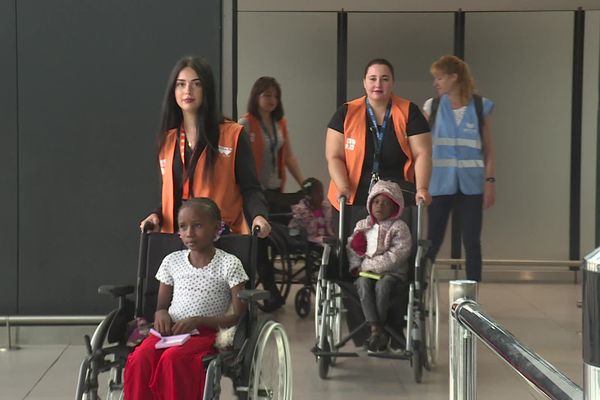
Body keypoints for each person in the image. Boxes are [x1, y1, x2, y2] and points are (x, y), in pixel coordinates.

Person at [124, 198, 249, 399]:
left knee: (173, 359)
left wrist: (198, 321)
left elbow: (236, 314)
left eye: (197, 226)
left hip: (205, 333)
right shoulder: (172, 261)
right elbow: (161, 306)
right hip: (169, 331)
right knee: (141, 357)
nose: (189, 233)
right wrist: (161, 313)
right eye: (183, 227)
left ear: (216, 228)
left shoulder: (229, 264)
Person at [139, 56, 270, 238]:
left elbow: (251, 189)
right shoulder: (167, 141)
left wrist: (259, 216)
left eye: (196, 84)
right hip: (177, 240)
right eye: (181, 84)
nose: (188, 91)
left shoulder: (233, 135)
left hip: (220, 237)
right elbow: (170, 196)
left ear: (207, 89)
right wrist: (156, 215)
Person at [325, 58, 431, 263]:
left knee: (393, 253)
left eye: (384, 79)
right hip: (353, 197)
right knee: (353, 254)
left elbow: (423, 154)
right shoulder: (346, 113)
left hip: (395, 197)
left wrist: (422, 188)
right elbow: (334, 156)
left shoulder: (410, 112)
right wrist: (343, 186)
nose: (378, 84)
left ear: (392, 83)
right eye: (372, 79)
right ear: (364, 82)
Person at [423, 55, 496, 282]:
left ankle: (472, 299)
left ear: (454, 78)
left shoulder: (479, 106)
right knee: (432, 241)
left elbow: (489, 151)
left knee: (472, 243)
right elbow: (420, 148)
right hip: (439, 185)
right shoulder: (432, 106)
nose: (436, 83)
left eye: (440, 78)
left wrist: (490, 182)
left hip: (471, 187)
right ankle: (418, 292)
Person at [346, 180, 411, 353]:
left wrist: (368, 265)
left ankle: (379, 329)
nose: (379, 206)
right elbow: (353, 249)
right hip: (366, 274)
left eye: (385, 203)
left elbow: (397, 255)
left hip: (392, 273)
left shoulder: (399, 227)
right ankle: (376, 329)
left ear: (394, 207)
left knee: (383, 286)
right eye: (376, 202)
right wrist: (356, 267)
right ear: (370, 204)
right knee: (361, 284)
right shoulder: (362, 226)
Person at [239, 76, 305, 211]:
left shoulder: (280, 124)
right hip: (255, 190)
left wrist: (303, 184)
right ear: (256, 97)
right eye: (267, 95)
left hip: (276, 188)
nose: (272, 100)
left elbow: (289, 157)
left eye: (276, 96)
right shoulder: (246, 123)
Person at [288, 178, 334, 245]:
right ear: (308, 196)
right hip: (309, 245)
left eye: (321, 192)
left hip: (328, 243)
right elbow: (294, 233)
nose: (321, 196)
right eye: (317, 193)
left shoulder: (327, 208)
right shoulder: (299, 212)